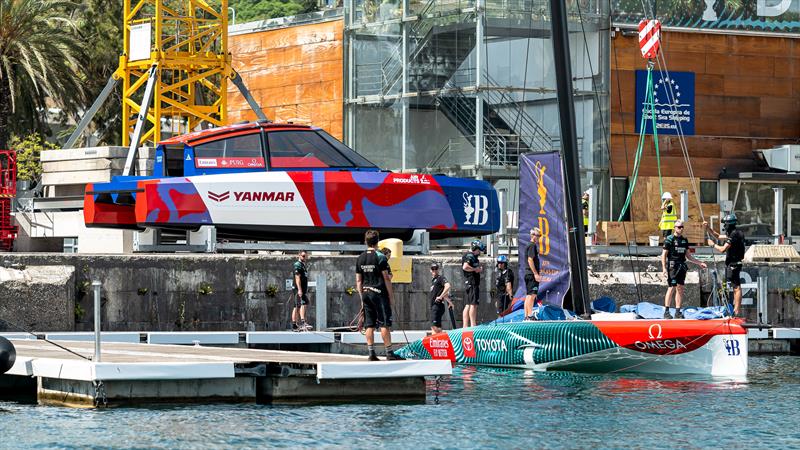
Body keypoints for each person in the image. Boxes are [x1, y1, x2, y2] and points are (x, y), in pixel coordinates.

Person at [356, 230, 403, 361]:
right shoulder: (380, 257)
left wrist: (362, 297)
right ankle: (389, 353)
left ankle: (371, 353)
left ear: (366, 242)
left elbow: (359, 281)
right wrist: (391, 296)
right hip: (379, 294)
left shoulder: (360, 258)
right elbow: (387, 278)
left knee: (369, 324)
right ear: (377, 242)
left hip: (365, 293)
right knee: (384, 324)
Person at [661, 220, 707, 319]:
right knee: (672, 287)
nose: (681, 229)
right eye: (678, 227)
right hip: (672, 266)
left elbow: (689, 256)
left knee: (680, 288)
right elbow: (664, 255)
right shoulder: (669, 239)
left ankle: (678, 311)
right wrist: (664, 268)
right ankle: (666, 311)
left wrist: (699, 263)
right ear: (674, 228)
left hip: (682, 266)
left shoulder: (684, 240)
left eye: (682, 227)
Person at [705, 214, 746, 317]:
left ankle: (736, 312)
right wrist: (708, 228)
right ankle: (735, 310)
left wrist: (712, 244)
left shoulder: (734, 235)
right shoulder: (736, 233)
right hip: (734, 263)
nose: (724, 226)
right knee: (735, 286)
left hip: (734, 264)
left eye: (725, 224)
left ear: (729, 224)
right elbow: (718, 236)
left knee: (736, 287)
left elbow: (723, 249)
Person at [462, 239, 485, 328]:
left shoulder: (473, 257)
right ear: (475, 248)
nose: (479, 253)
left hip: (470, 283)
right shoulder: (470, 256)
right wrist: (476, 269)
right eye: (479, 250)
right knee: (473, 304)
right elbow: (465, 267)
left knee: (468, 304)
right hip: (472, 283)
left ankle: (465, 326)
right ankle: (473, 325)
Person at [524, 228, 542, 320]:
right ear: (533, 235)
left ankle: (526, 316)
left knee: (528, 295)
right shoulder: (532, 246)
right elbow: (530, 259)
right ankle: (530, 316)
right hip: (531, 274)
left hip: (527, 273)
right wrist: (535, 274)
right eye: (538, 235)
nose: (539, 238)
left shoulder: (529, 245)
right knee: (532, 295)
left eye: (540, 236)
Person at [291, 250, 312, 331]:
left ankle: (295, 325)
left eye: (306, 256)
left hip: (302, 289)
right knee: (302, 304)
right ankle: (303, 322)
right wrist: (299, 290)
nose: (305, 257)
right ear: (299, 255)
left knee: (298, 305)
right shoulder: (298, 265)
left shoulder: (303, 265)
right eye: (303, 256)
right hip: (298, 289)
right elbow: (297, 278)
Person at [429, 262, 452, 333]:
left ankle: (437, 340)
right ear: (430, 270)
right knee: (437, 327)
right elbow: (444, 293)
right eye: (433, 269)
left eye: (436, 269)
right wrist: (450, 302)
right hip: (435, 306)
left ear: (438, 270)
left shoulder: (440, 278)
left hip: (437, 306)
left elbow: (448, 286)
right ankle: (440, 340)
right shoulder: (433, 281)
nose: (434, 270)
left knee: (434, 326)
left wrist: (440, 296)